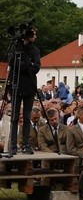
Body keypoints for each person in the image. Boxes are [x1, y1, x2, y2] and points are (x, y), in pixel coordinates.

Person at [8, 27, 40, 155]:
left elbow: (36, 67)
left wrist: (26, 65)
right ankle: (13, 144)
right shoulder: (16, 48)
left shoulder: (35, 49)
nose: (35, 36)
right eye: (33, 34)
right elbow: (12, 64)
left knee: (27, 117)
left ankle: (26, 144)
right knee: (15, 117)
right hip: (16, 84)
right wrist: (29, 65)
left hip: (30, 86)